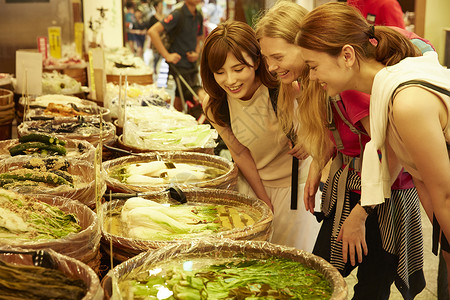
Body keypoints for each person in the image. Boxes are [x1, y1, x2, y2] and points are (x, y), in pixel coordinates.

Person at [255, 1, 428, 299]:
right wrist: (316, 167)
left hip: (383, 195)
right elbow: (333, 133)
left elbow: (390, 155)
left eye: (278, 56)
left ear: (304, 46)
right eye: (266, 58)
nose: (271, 67)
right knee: (322, 275)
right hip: (355, 186)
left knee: (366, 285)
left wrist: (360, 215)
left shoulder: (350, 83)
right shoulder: (320, 81)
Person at [295, 2, 450, 298]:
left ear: (347, 55)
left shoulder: (405, 102)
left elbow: (444, 194)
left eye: (313, 67)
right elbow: (422, 179)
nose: (312, 77)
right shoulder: (384, 93)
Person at [200, 20, 321, 251]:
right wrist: (263, 200)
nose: (230, 80)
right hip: (252, 189)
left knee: (292, 263)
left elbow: (323, 111)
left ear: (256, 61)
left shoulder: (283, 85)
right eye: (220, 72)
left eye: (238, 69)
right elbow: (239, 153)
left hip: (295, 191)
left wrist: (311, 138)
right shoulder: (215, 105)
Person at [148, 0, 205, 111]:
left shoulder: (198, 15)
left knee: (180, 94)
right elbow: (152, 31)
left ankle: (178, 122)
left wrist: (197, 53)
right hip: (178, 65)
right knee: (190, 95)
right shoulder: (178, 14)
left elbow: (199, 37)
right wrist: (167, 55)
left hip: (192, 64)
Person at [148, 0, 165, 74]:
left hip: (165, 42)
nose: (162, 7)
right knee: (156, 58)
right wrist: (149, 43)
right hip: (155, 42)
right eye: (161, 5)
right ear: (156, 7)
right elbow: (149, 32)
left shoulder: (166, 17)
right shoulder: (152, 18)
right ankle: (155, 71)